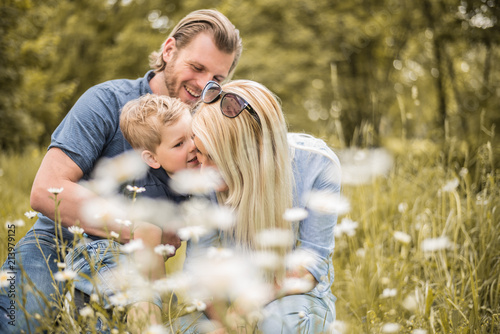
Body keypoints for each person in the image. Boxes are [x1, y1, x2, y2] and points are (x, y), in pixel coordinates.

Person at [0, 9, 242, 333]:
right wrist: (140, 229)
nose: (203, 85)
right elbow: (46, 189)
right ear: (169, 50)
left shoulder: (207, 134)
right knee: (17, 322)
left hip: (129, 265)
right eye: (196, 67)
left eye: (216, 79)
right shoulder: (107, 101)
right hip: (55, 241)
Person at [175, 80, 341, 333]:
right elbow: (199, 269)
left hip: (290, 295)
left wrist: (247, 304)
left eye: (218, 159)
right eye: (200, 153)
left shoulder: (317, 164)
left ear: (254, 153)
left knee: (285, 323)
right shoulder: (203, 176)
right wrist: (226, 323)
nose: (204, 171)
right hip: (221, 296)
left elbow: (312, 264)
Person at [65, 93, 199, 332]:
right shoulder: (151, 192)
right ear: (152, 158)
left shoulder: (183, 173)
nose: (192, 147)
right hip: (100, 256)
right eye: (179, 144)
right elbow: (149, 256)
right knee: (147, 301)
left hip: (118, 262)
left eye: (194, 136)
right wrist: (160, 297)